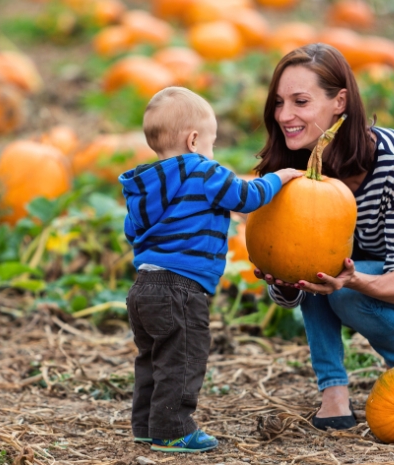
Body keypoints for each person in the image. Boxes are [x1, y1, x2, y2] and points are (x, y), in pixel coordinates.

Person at [252, 43, 394, 431]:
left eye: (300, 102)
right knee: (321, 272)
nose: (285, 115)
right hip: (358, 279)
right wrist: (284, 283)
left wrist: (350, 280)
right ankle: (333, 393)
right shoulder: (293, 167)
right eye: (278, 102)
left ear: (340, 102)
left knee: (339, 283)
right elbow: (292, 284)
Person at [119, 86, 302, 452]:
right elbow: (245, 198)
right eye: (211, 143)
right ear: (193, 140)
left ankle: (145, 424)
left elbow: (130, 231)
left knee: (152, 359)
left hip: (144, 287)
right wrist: (279, 178)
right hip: (181, 287)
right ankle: (173, 430)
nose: (213, 152)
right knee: (183, 358)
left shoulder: (145, 184)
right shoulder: (202, 171)